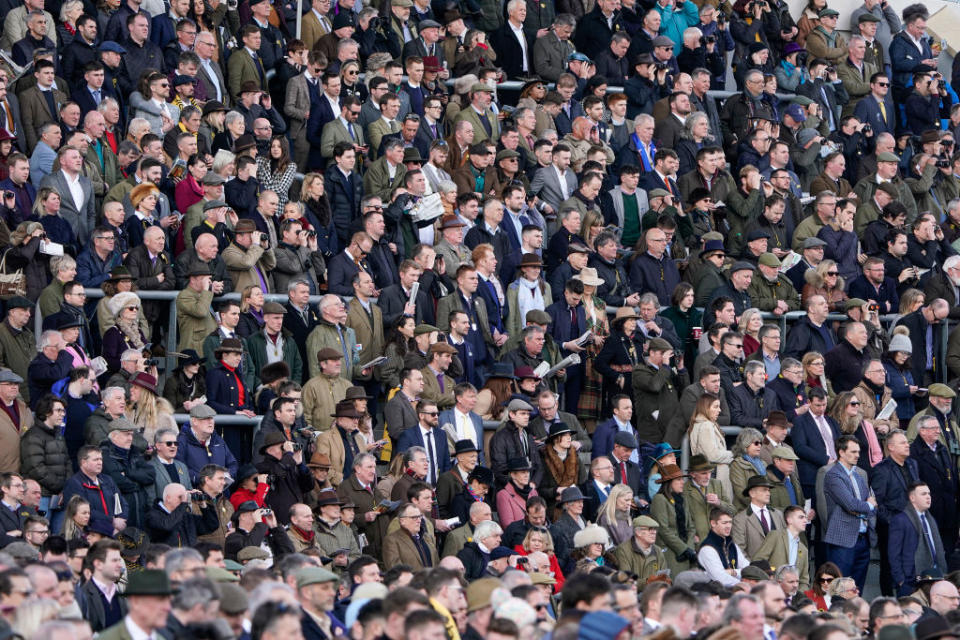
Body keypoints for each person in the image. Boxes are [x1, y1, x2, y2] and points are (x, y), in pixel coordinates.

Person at [823, 435, 876, 593]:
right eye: (853, 452)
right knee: (840, 588)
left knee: (856, 589)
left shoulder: (859, 476)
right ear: (841, 452)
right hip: (843, 539)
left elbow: (869, 503)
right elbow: (851, 504)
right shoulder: (833, 475)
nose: (858, 455)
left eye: (858, 452)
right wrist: (867, 506)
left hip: (862, 537)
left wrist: (865, 506)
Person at [888, 481, 947, 596]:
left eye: (929, 494)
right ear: (912, 498)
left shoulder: (930, 519)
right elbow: (893, 554)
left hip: (934, 577)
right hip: (911, 582)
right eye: (923, 494)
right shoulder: (900, 520)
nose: (928, 497)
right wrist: (901, 581)